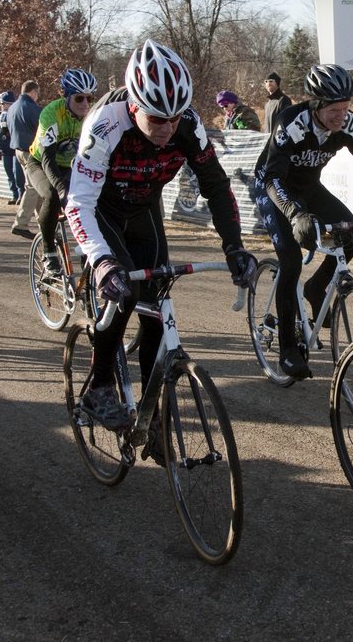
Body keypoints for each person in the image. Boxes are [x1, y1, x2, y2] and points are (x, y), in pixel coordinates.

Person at [64, 40, 256, 440]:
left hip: (144, 211)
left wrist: (234, 246)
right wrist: (101, 261)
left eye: (175, 118)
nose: (167, 128)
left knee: (155, 306)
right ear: (134, 105)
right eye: (157, 119)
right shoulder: (104, 124)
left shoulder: (188, 125)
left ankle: (151, 416)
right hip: (102, 211)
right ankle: (99, 386)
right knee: (125, 294)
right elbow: (78, 203)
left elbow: (217, 188)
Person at [251, 63, 353, 380]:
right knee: (290, 260)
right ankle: (287, 349)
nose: (341, 115)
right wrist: (294, 213)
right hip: (275, 187)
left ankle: (316, 288)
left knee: (352, 234)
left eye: (346, 107)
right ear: (315, 104)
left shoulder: (350, 125)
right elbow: (273, 178)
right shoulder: (292, 123)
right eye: (334, 109)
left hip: (309, 187)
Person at [31, 68, 99, 274]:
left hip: (72, 165)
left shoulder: (95, 114)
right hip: (41, 163)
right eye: (79, 98)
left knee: (92, 200)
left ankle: (88, 250)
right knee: (53, 195)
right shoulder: (51, 114)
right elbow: (47, 158)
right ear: (67, 96)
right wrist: (62, 189)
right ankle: (49, 252)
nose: (86, 104)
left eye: (89, 98)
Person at [8, 80, 42, 239]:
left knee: (36, 186)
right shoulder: (31, 108)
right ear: (33, 92)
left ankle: (44, 221)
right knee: (33, 187)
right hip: (30, 151)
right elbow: (42, 128)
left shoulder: (13, 107)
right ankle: (20, 223)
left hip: (18, 150)